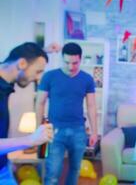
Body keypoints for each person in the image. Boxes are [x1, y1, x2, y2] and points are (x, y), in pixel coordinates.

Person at [36, 42, 98, 185]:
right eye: (67, 62)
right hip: (55, 131)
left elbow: (91, 105)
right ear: (62, 59)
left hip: (79, 131)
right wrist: (38, 128)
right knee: (52, 173)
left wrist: (94, 132)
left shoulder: (87, 79)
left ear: (80, 59)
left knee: (75, 170)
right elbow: (40, 103)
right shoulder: (49, 77)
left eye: (75, 63)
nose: (71, 67)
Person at [0, 42, 54, 185]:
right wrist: (30, 140)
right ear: (22, 63)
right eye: (38, 71)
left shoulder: (6, 80)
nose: (38, 78)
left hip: (2, 168)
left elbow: (21, 59)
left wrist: (42, 52)